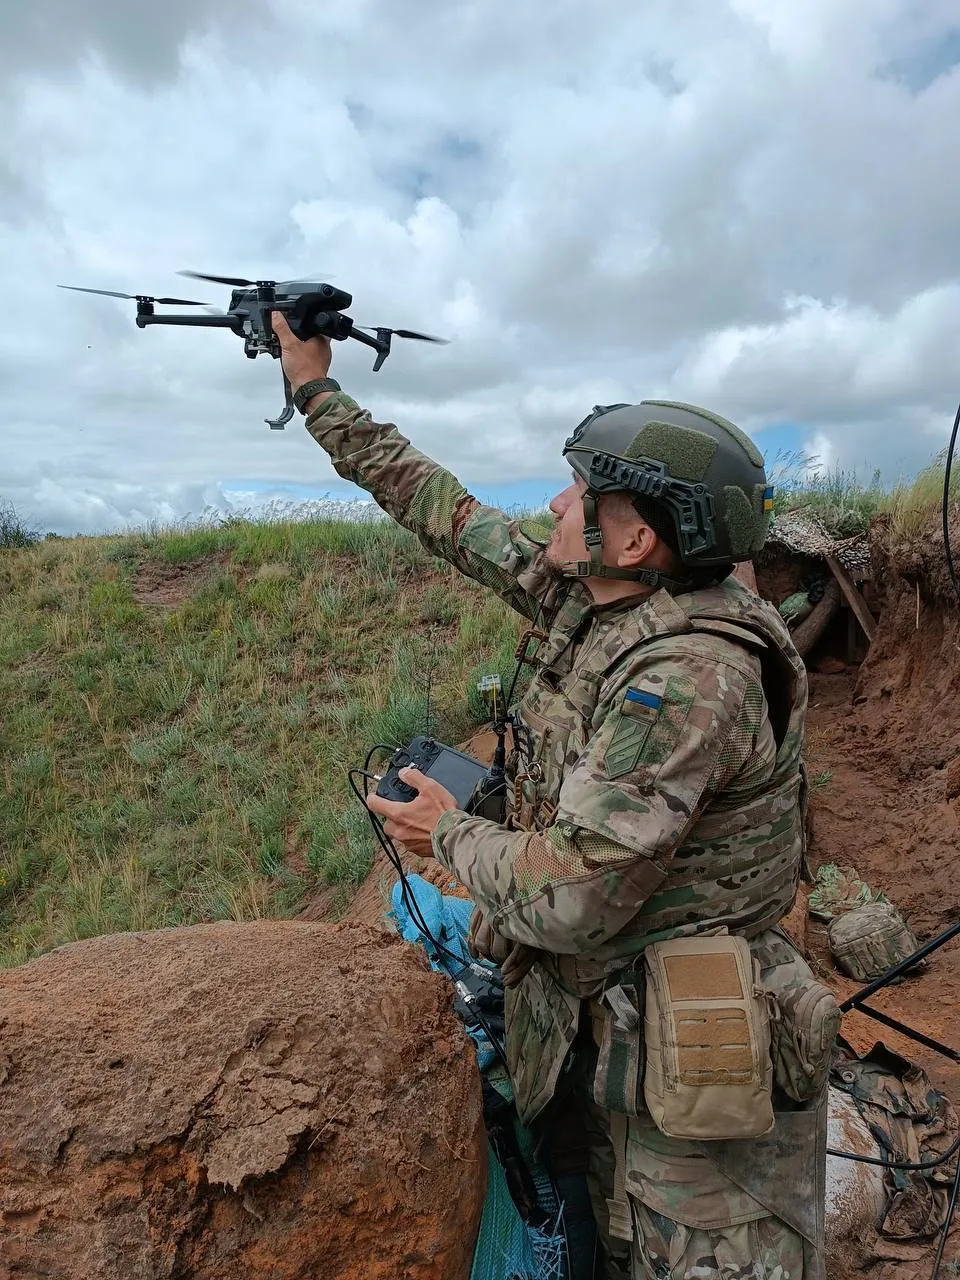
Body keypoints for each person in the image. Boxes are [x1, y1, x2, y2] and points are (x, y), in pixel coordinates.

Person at [273, 312, 836, 1280]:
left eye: (583, 492)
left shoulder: (691, 678)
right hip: (598, 1025)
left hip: (682, 1078)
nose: (557, 502)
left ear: (639, 536)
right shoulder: (600, 595)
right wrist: (316, 392)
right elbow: (440, 507)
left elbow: (575, 895)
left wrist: (447, 835)